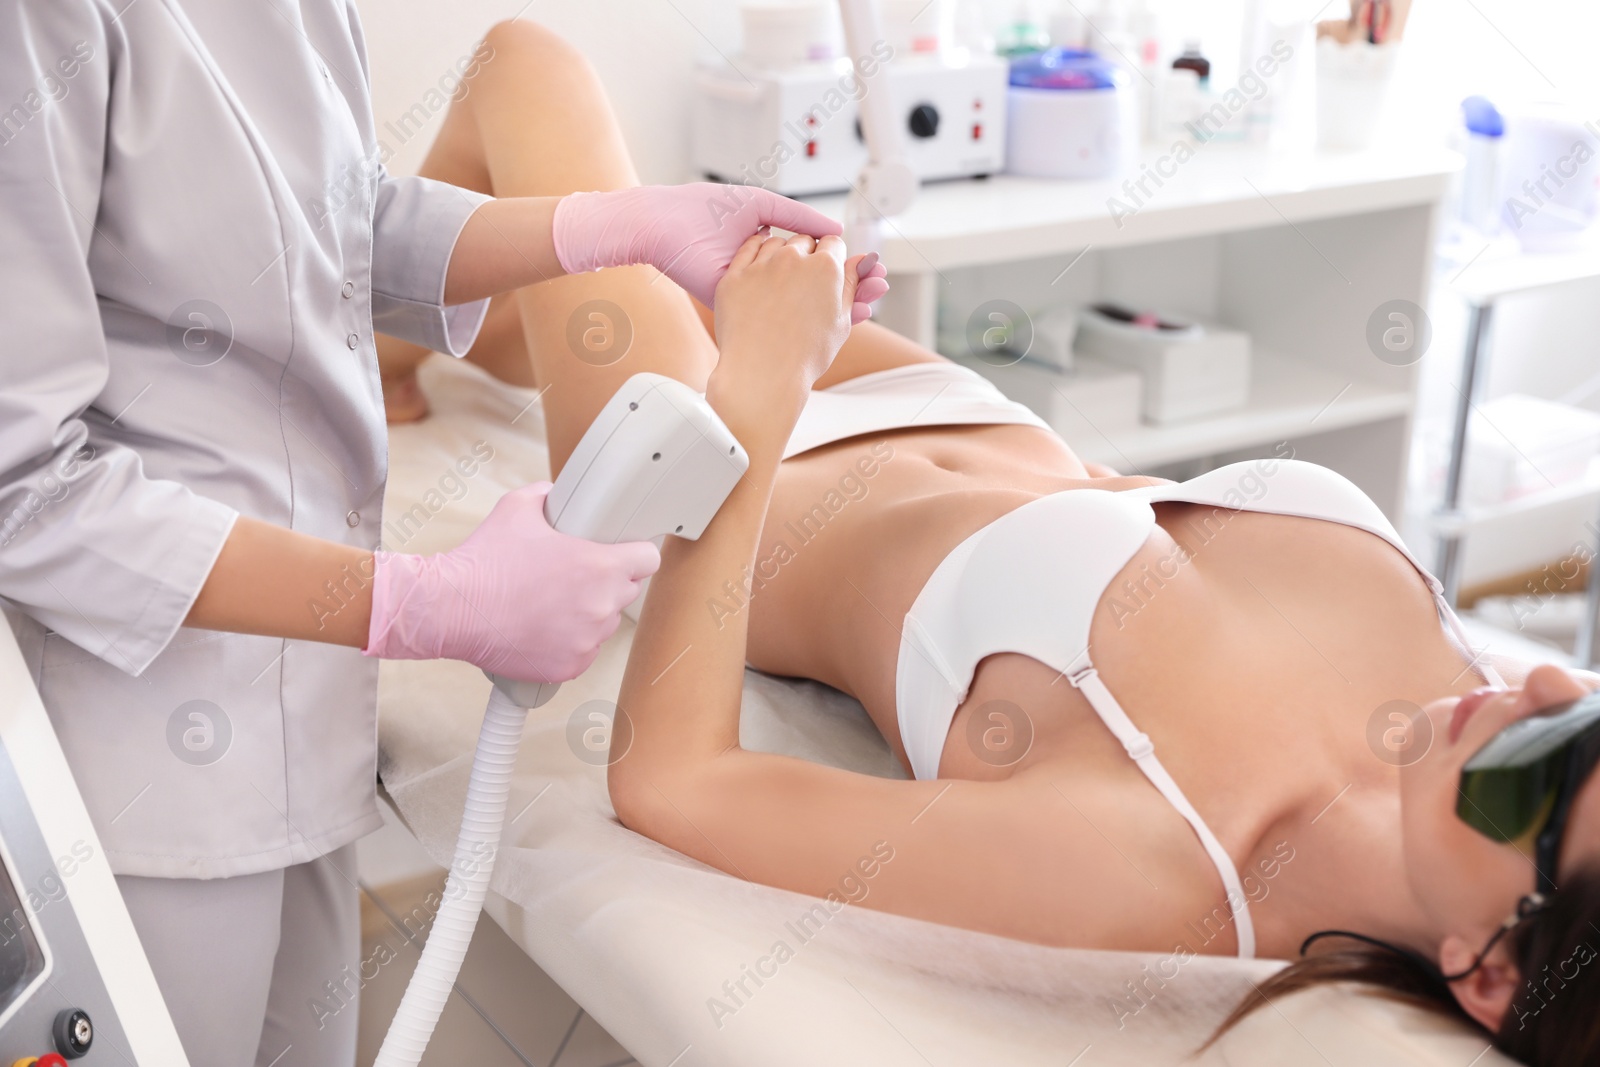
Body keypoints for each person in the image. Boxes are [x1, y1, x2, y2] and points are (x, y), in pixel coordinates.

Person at [376, 22, 1600, 1064]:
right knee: (557, 265)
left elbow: (670, 782)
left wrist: (758, 379)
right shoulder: (1467, 707)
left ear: (1486, 970)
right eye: (1584, 711)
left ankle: (388, 356)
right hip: (954, 408)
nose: (1538, 687)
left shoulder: (1159, 864)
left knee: (523, 66)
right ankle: (453, 343)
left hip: (727, 469)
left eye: (1542, 763)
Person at [0, 6, 867, 1065]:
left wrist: (615, 227)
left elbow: (343, 223)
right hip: (142, 762)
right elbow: (22, 490)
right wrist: (427, 601)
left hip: (307, 714)